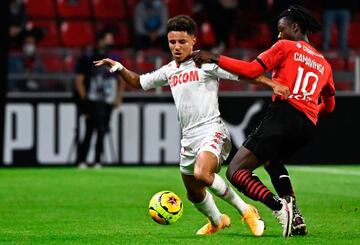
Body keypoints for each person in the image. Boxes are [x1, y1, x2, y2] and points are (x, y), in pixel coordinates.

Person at [94, 15, 290, 236]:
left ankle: (247, 211)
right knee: (194, 193)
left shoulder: (205, 65)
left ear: (193, 41)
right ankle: (217, 221)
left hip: (212, 130)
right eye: (172, 42)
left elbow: (243, 75)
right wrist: (118, 67)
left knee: (202, 174)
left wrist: (270, 83)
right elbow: (138, 82)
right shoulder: (169, 70)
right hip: (188, 138)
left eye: (182, 42)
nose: (176, 47)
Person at [192, 5, 335, 237]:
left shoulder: (285, 46)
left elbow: (250, 70)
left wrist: (215, 57)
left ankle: (280, 208)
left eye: (281, 29)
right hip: (307, 126)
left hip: (284, 114)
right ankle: (295, 215)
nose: (278, 35)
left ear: (295, 27)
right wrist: (310, 114)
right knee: (272, 160)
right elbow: (330, 105)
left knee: (236, 171)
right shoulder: (324, 64)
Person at [75, 29, 125, 169]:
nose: (112, 42)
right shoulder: (87, 57)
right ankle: (82, 160)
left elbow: (121, 78)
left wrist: (118, 97)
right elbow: (79, 80)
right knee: (90, 130)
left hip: (107, 99)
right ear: (101, 40)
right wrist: (84, 100)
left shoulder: (114, 57)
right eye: (109, 38)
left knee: (102, 130)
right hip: (92, 99)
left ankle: (97, 160)